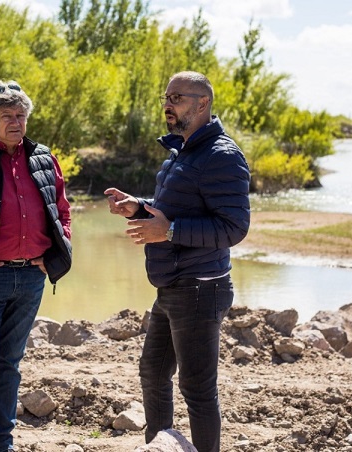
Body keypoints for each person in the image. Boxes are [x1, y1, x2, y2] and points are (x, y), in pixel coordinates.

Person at [104, 71, 250, 452]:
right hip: (172, 285)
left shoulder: (222, 156)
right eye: (166, 97)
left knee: (197, 390)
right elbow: (172, 211)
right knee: (153, 373)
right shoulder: (181, 152)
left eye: (178, 98)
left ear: (203, 103)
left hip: (202, 287)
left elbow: (233, 227)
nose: (169, 105)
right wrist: (138, 207)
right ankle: (161, 447)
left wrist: (168, 232)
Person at [0, 80, 72, 451]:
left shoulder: (42, 157)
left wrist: (56, 256)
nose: (15, 122)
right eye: (7, 115)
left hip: (31, 277)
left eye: (20, 115)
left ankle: (2, 444)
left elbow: (62, 212)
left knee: (10, 364)